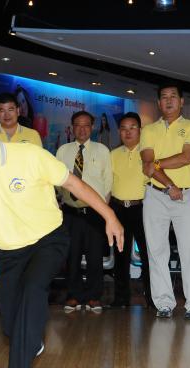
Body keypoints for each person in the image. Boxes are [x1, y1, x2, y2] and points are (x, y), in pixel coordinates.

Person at [0, 103, 123, 368]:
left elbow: (73, 183)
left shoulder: (29, 155)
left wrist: (109, 215)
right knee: (11, 323)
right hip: (6, 249)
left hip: (47, 239)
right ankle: (30, 340)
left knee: (33, 289)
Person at [140, 82, 190, 319]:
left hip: (185, 196)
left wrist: (157, 165)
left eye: (173, 96)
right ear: (158, 103)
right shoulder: (148, 130)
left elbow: (186, 158)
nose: (169, 100)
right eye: (164, 97)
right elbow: (146, 164)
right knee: (156, 251)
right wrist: (169, 185)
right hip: (155, 195)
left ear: (182, 101)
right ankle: (164, 303)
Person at [56, 110, 113, 312]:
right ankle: (73, 295)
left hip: (94, 212)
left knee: (94, 256)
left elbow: (108, 183)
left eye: (86, 125)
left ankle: (94, 297)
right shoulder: (63, 150)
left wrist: (104, 212)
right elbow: (57, 180)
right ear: (72, 128)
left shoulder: (102, 150)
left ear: (92, 127)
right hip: (70, 212)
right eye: (78, 125)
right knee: (71, 255)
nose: (82, 129)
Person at [110, 112, 150, 307]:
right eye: (123, 128)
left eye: (132, 127)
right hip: (118, 208)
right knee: (120, 257)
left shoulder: (149, 153)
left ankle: (153, 299)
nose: (128, 132)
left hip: (143, 208)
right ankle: (121, 299)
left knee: (149, 256)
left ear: (140, 130)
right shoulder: (113, 154)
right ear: (119, 132)